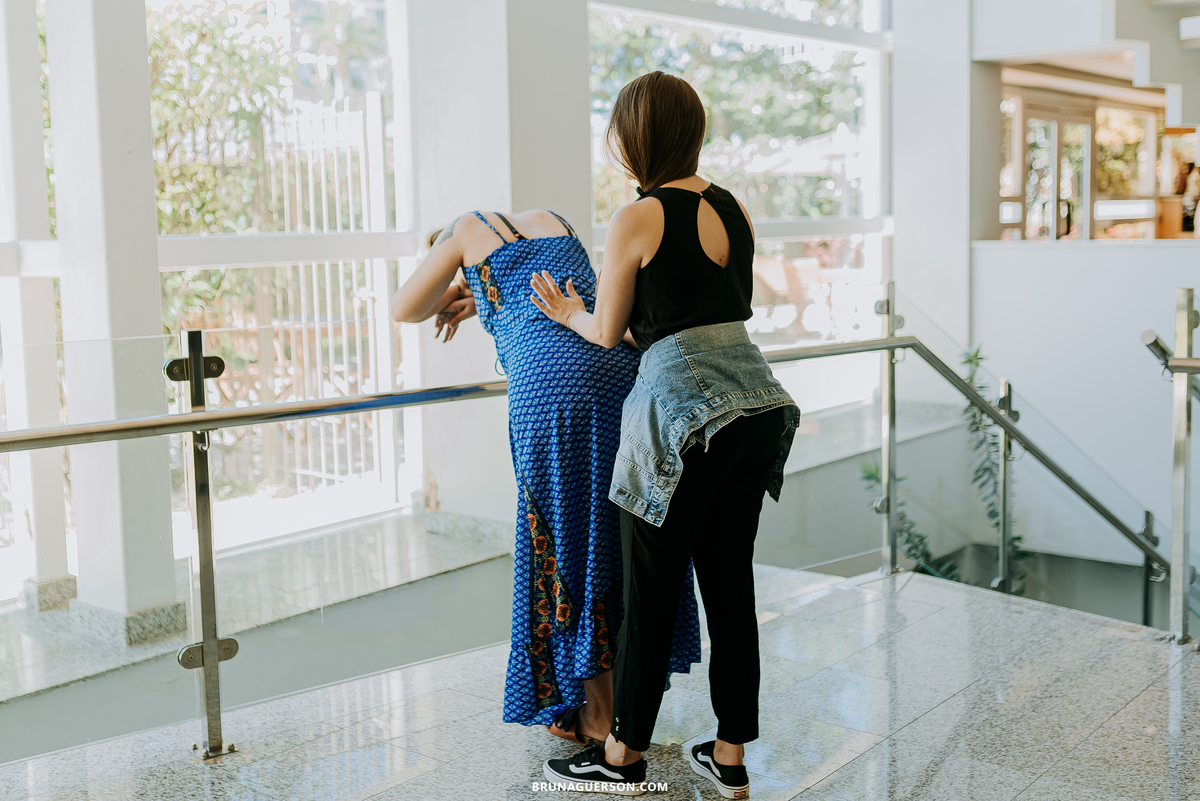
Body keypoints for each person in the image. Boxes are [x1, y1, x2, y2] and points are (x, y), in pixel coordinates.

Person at [533, 72, 800, 798]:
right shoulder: (734, 208)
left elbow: (607, 330)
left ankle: (621, 757)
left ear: (636, 137)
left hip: (682, 423)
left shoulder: (637, 216)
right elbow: (713, 310)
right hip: (754, 407)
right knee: (730, 588)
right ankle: (730, 753)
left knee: (648, 593)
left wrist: (565, 312)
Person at [389, 208, 701, 746]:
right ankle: (633, 698)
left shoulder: (463, 229)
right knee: (620, 538)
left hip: (552, 394)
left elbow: (406, 308)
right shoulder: (555, 219)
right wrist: (479, 297)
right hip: (619, 374)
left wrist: (455, 286)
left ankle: (600, 717)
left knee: (565, 545)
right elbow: (552, 288)